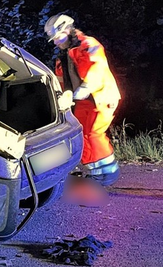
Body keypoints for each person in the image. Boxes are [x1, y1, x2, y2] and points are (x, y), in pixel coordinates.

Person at [44, 13, 121, 186]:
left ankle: (108, 172)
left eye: (58, 37)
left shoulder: (88, 44)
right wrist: (62, 96)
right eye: (54, 39)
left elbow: (97, 67)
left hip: (100, 96)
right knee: (82, 134)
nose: (56, 42)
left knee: (94, 133)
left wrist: (84, 89)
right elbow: (62, 80)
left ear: (68, 30)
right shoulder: (64, 56)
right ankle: (94, 171)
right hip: (83, 101)